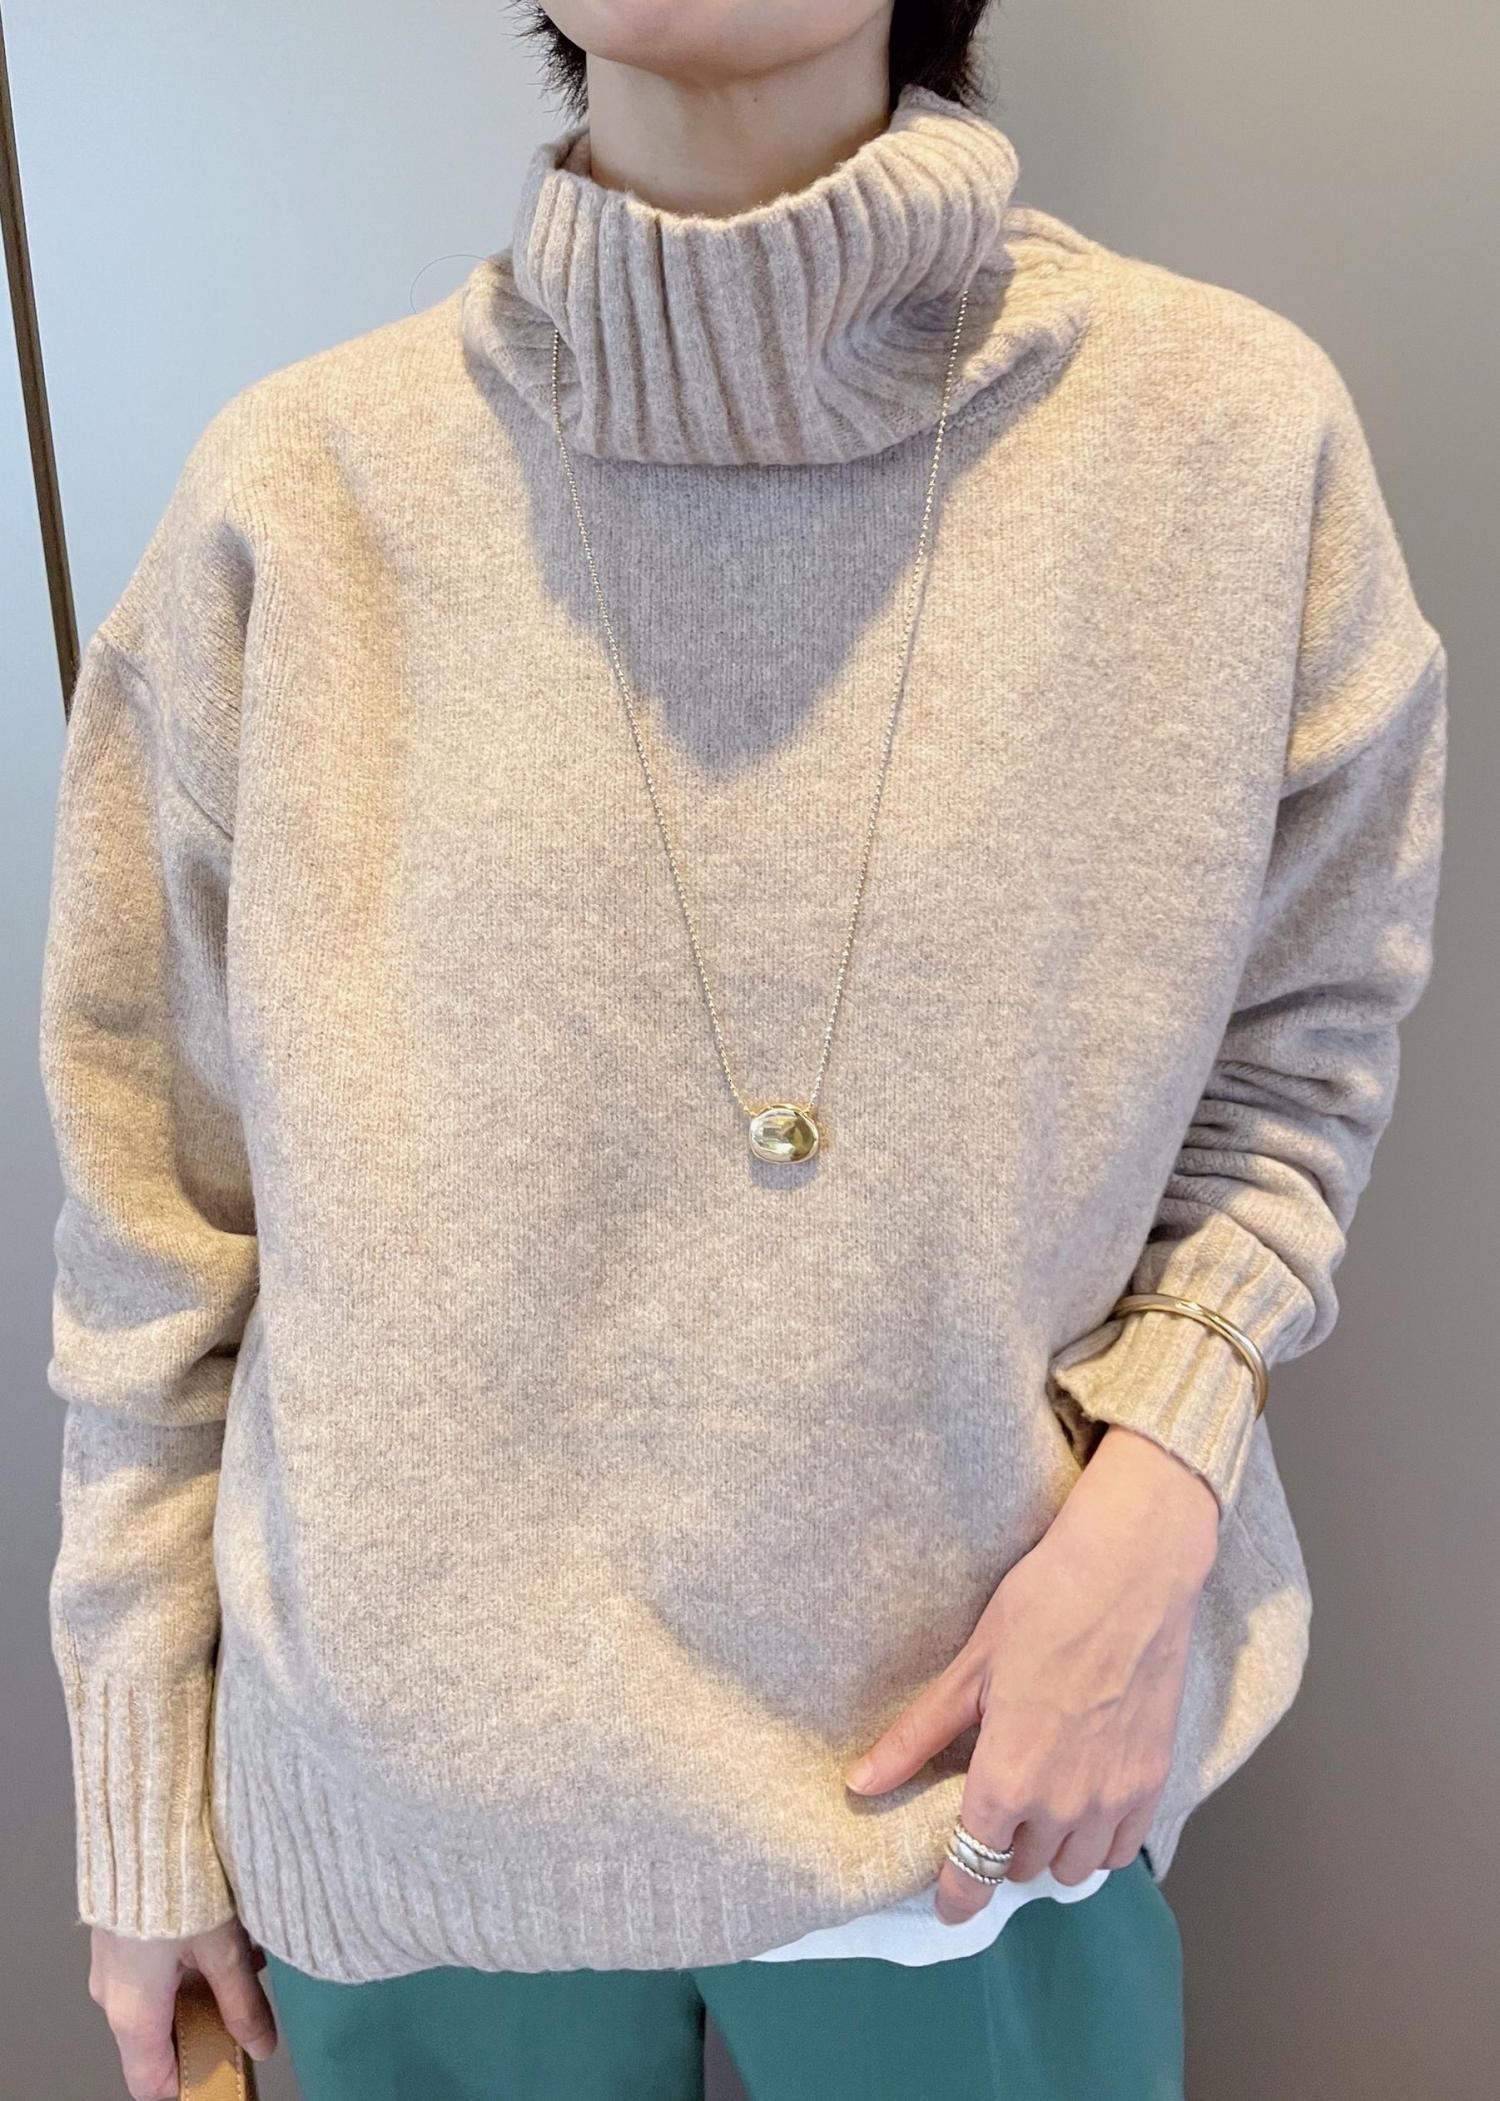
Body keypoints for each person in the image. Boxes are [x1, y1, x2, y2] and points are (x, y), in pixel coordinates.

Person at [38, 2, 1447, 2097]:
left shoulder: (1222, 447)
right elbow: (160, 1222)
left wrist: (1160, 1491)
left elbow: (1299, 1057)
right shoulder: (296, 497)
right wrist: (143, 1794)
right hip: (409, 1846)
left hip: (986, 1800)